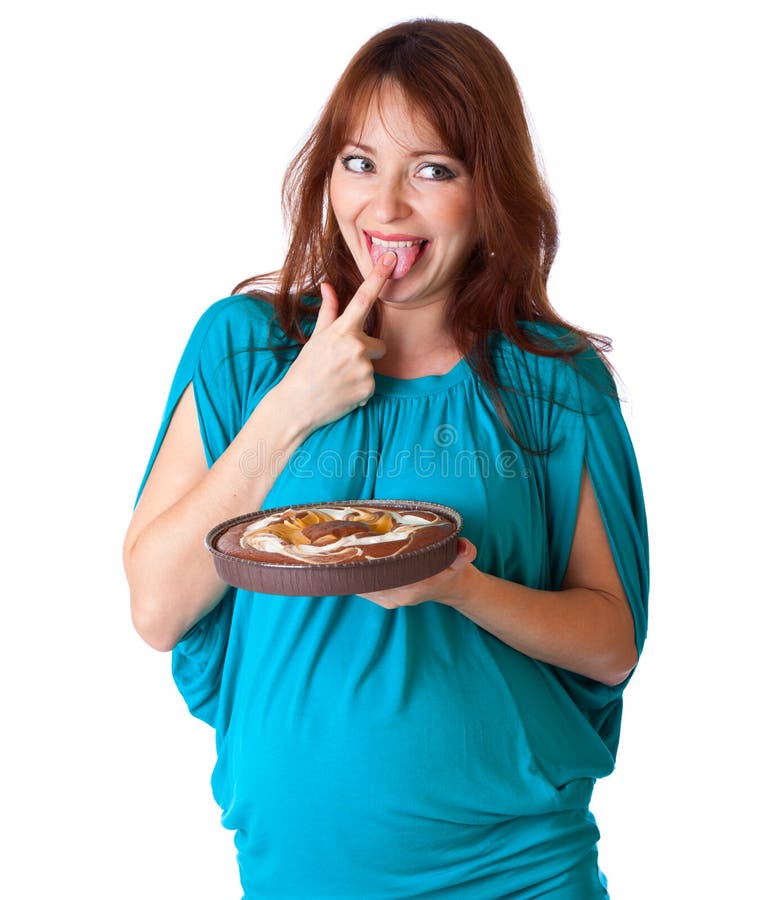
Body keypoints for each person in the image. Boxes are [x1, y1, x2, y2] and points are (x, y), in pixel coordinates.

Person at [124, 18, 648, 899]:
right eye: (359, 163)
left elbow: (608, 645)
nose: (387, 207)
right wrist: (292, 409)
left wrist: (458, 585)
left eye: (433, 170)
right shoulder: (243, 352)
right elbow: (156, 608)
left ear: (490, 195)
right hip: (301, 869)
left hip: (514, 867)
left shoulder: (554, 383)